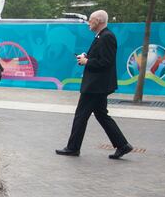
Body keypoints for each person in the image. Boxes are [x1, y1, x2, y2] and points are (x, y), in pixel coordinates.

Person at [55, 11, 133, 159]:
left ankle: (73, 148)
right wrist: (86, 57)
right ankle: (122, 145)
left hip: (96, 86)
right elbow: (100, 57)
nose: (89, 23)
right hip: (98, 85)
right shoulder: (101, 36)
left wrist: (87, 61)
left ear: (98, 21)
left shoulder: (107, 37)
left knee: (81, 115)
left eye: (91, 20)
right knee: (101, 115)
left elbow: (106, 61)